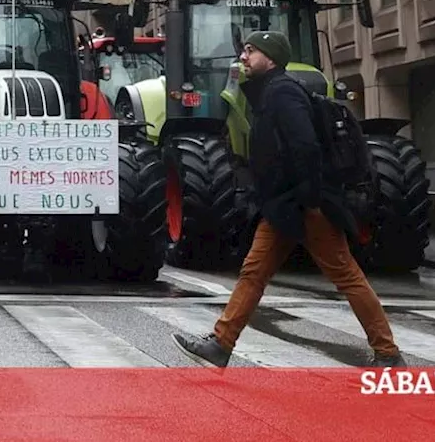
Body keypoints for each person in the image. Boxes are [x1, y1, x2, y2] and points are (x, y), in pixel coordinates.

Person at [172, 31, 406, 369]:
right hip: (283, 206)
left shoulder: (283, 92)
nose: (243, 57)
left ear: (271, 58)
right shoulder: (268, 93)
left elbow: (305, 146)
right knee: (253, 273)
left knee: (345, 275)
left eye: (251, 52)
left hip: (307, 205)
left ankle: (387, 353)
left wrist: (310, 200)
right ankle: (220, 345)